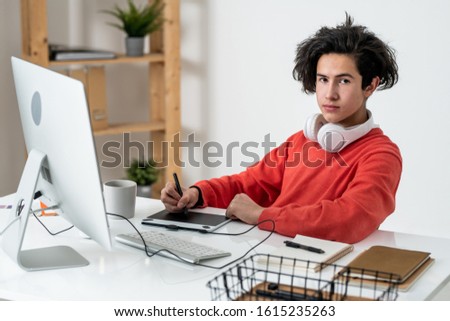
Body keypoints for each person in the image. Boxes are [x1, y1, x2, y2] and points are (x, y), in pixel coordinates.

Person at [161, 14, 402, 244]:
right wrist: (196, 193)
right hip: (269, 252)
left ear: (370, 85)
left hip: (323, 268)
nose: (330, 93)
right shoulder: (301, 141)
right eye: (323, 79)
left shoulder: (381, 155)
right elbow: (249, 184)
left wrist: (260, 215)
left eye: (344, 81)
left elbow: (347, 219)